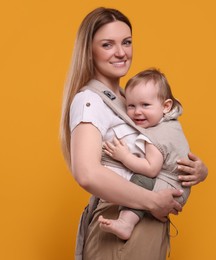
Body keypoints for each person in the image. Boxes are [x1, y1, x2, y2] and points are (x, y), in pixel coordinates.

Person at [60, 7, 208, 260]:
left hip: (145, 222)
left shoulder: (130, 100)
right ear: (89, 51)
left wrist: (197, 171)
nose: (121, 52)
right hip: (120, 220)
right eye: (108, 44)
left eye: (126, 42)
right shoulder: (90, 101)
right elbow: (86, 173)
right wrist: (152, 201)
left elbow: (159, 148)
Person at [98, 68, 192, 241]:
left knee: (141, 181)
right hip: (178, 185)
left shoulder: (155, 136)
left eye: (145, 105)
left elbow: (151, 169)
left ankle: (126, 223)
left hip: (171, 188)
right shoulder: (171, 123)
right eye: (131, 106)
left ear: (166, 106)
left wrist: (124, 156)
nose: (137, 112)